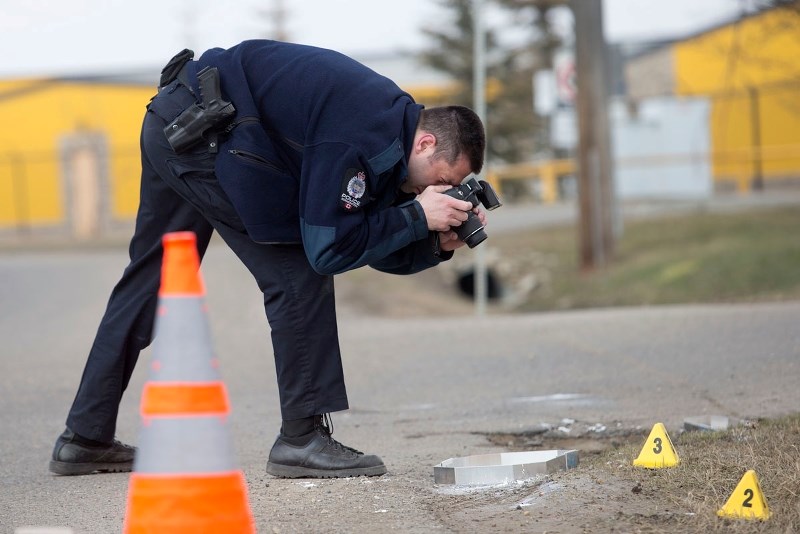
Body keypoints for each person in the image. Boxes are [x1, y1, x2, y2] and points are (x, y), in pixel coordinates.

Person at [49, 40, 486, 478]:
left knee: (150, 279)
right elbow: (329, 250)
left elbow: (362, 236)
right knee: (296, 272)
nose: (438, 193)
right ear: (426, 142)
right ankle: (301, 439)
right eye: (443, 181)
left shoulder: (389, 131)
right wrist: (414, 216)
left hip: (180, 120)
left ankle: (84, 436)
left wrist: (432, 241)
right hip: (203, 132)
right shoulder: (360, 133)